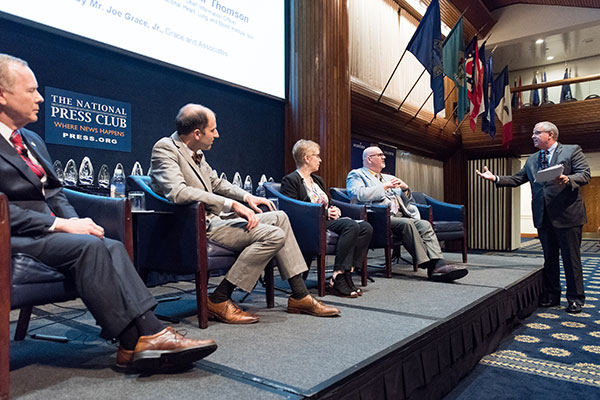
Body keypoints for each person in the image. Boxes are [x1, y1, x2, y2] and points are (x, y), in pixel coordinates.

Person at [0, 53, 217, 370]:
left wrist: (76, 222)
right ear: (2, 95)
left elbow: (55, 192)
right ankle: (138, 339)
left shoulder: (30, 139)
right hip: (13, 234)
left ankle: (143, 338)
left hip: (46, 232)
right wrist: (59, 225)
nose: (40, 98)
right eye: (31, 91)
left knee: (110, 245)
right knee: (89, 248)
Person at [150, 104, 340, 323]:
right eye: (213, 130)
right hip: (196, 225)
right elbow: (178, 192)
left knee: (280, 217)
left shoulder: (197, 153)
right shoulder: (165, 148)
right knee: (273, 235)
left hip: (217, 220)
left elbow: (216, 183)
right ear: (197, 133)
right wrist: (231, 205)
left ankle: (299, 295)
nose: (217, 134)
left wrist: (247, 197)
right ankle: (220, 298)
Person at [476, 121, 590, 313]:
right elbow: (517, 179)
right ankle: (552, 295)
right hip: (543, 216)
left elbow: (585, 174)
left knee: (571, 259)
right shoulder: (532, 160)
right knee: (550, 259)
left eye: (537, 133)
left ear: (550, 135)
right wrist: (495, 178)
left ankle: (575, 298)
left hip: (568, 216)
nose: (533, 136)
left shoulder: (571, 151)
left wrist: (568, 178)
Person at [346, 146, 468, 282]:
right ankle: (429, 265)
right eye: (380, 155)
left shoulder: (388, 177)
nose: (384, 157)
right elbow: (357, 194)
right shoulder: (357, 174)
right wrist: (384, 187)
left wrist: (405, 189)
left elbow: (408, 201)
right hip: (378, 217)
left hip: (399, 215)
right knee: (408, 224)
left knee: (424, 224)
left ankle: (438, 263)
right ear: (369, 158)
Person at [281, 139, 373, 297]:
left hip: (326, 221)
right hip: (310, 224)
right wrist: (324, 212)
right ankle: (338, 276)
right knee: (351, 226)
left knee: (366, 227)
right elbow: (294, 209)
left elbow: (327, 201)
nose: (320, 159)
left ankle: (347, 272)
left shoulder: (318, 180)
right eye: (317, 156)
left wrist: (333, 208)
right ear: (307, 158)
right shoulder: (291, 180)